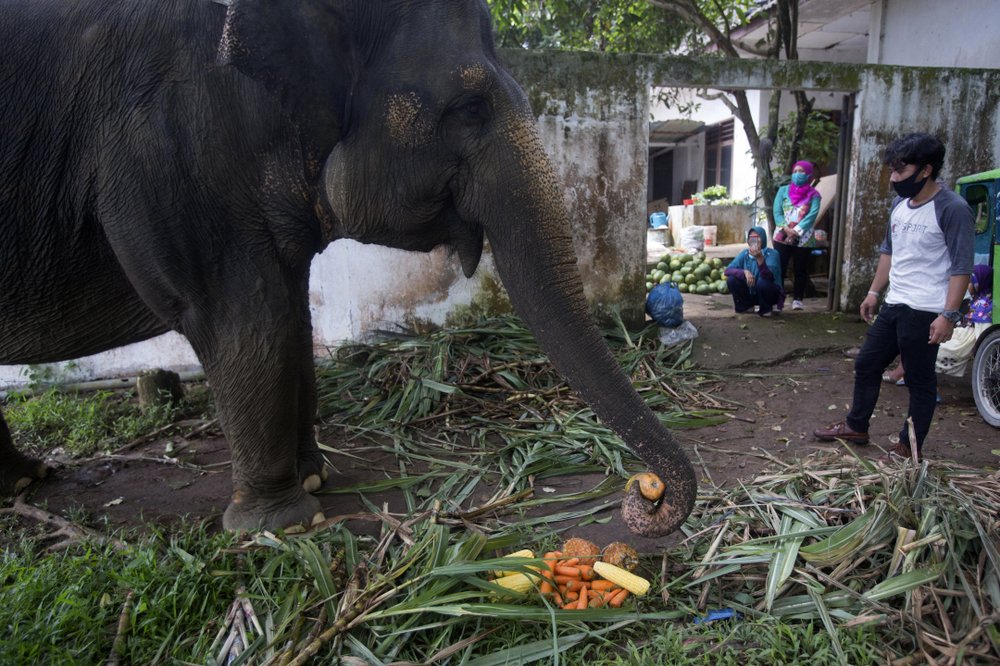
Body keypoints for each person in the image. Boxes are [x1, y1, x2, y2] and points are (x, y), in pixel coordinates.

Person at [813, 133, 975, 461]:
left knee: (919, 381)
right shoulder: (901, 204)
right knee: (868, 362)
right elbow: (889, 251)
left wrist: (949, 314)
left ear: (926, 170)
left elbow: (962, 268)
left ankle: (908, 445)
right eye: (892, 170)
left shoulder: (952, 209)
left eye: (900, 171)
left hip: (927, 310)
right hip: (895, 303)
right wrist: (874, 291)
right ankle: (856, 425)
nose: (893, 178)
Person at [772, 160, 822, 311]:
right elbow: (777, 211)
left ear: (807, 174)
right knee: (779, 268)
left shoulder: (814, 195)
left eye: (801, 171)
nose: (797, 174)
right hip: (782, 235)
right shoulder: (783, 191)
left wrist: (797, 230)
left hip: (804, 238)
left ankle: (798, 300)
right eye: (795, 171)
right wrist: (786, 228)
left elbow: (812, 215)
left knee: (801, 269)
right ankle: (777, 300)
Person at [724, 226, 782, 317]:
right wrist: (744, 272)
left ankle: (766, 308)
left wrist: (760, 259)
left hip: (769, 293)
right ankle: (745, 306)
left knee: (763, 282)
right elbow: (727, 270)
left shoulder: (772, 254)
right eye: (752, 238)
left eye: (757, 237)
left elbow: (769, 276)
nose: (755, 241)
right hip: (752, 292)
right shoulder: (745, 254)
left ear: (763, 238)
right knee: (732, 279)